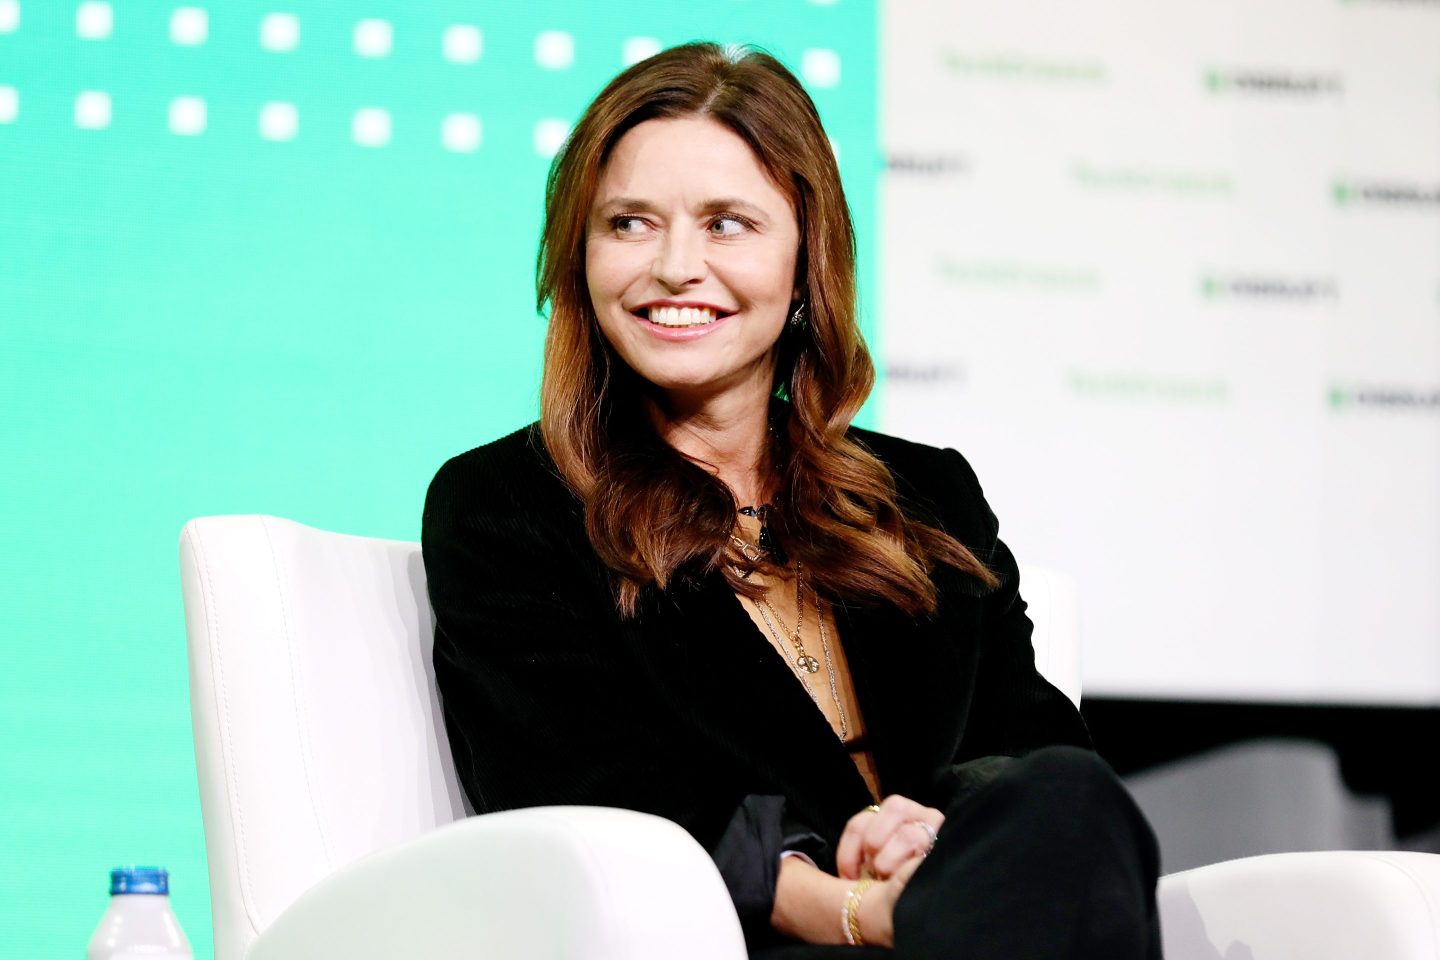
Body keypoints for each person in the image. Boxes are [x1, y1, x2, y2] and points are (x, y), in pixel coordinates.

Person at [422, 41, 1161, 958]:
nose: (675, 267)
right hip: (732, 943)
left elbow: (1032, 745)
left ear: (808, 257)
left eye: (727, 223)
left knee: (1070, 796)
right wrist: (859, 912)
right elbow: (594, 796)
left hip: (973, 919)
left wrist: (934, 843)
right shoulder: (506, 506)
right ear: (581, 256)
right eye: (630, 223)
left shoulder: (927, 496)